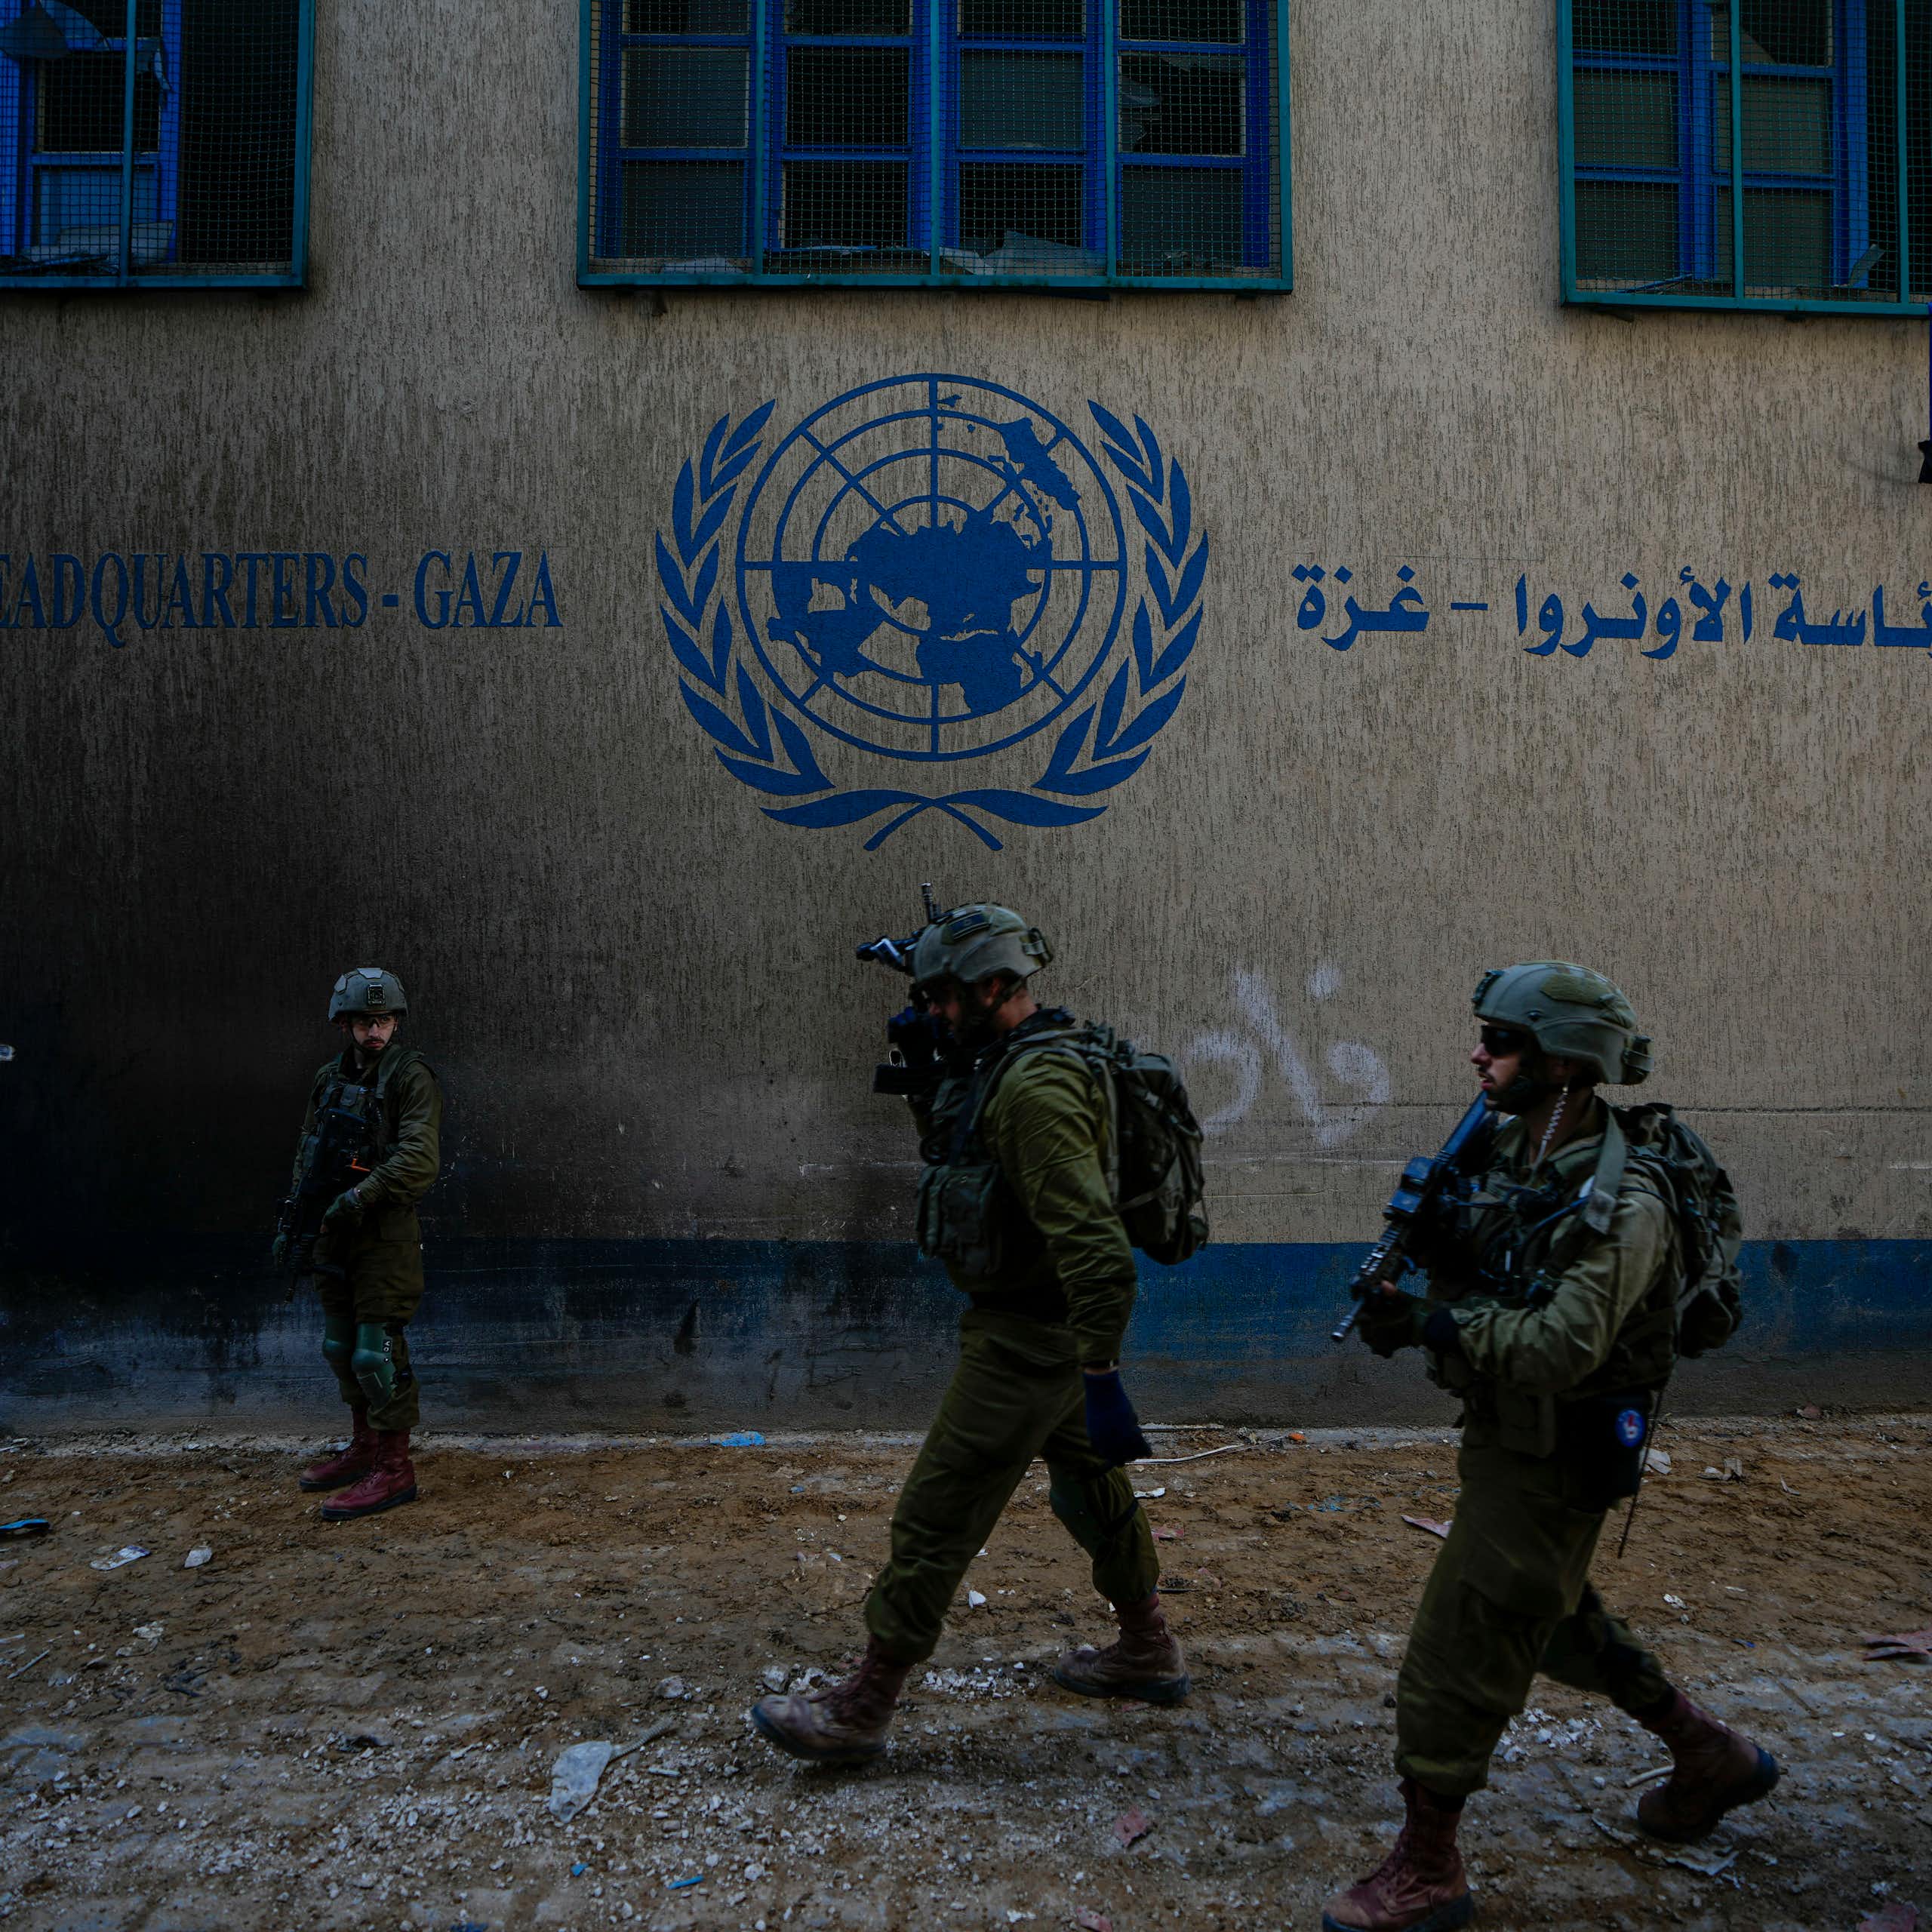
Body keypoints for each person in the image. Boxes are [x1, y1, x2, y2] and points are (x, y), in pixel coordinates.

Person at [1321, 962, 1780, 1932]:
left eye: (1501, 1039)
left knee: (1462, 1642)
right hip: (1502, 1436)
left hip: (1561, 1444)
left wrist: (1433, 1326)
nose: (1477, 1054)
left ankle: (1427, 1867)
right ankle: (1705, 1751)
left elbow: (1559, 1345)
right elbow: (1489, 1265)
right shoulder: (1508, 1146)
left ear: (1565, 1061)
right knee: (1553, 1612)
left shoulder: (1627, 1202)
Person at [749, 904, 1183, 1764]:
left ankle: (863, 1704)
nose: (936, 1012)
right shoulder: (1004, 1064)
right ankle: (1147, 1645)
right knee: (1089, 1491)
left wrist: (1099, 1372)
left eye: (948, 995)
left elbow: (1098, 1251)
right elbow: (973, 1162)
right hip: (1041, 1331)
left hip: (1029, 1340)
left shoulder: (1035, 1089)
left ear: (996, 986)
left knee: (935, 1515)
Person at [275, 967, 443, 1522]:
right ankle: (364, 1448)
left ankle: (395, 1470)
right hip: (331, 1232)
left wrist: (355, 1201)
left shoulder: (409, 1076)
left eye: (385, 1020)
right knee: (340, 1345)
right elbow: (308, 1152)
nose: (376, 1031)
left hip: (382, 1233)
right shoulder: (328, 1079)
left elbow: (418, 1159)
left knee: (377, 1353)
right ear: (345, 1024)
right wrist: (293, 1223)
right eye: (366, 1021)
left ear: (395, 1023)